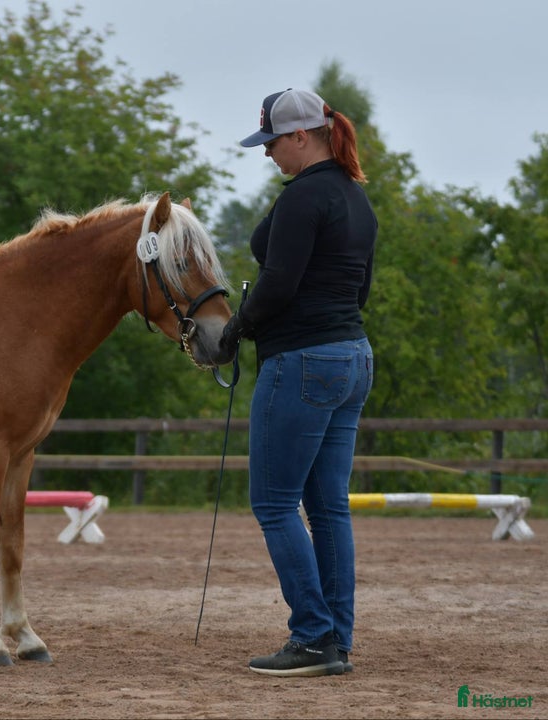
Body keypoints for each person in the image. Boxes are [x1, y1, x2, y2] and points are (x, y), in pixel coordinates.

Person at [221, 88, 376, 677]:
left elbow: (278, 284)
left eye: (272, 143)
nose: (267, 156)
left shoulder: (303, 200)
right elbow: (359, 290)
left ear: (301, 136)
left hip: (303, 362)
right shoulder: (356, 200)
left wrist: (237, 329)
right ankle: (335, 638)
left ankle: (311, 637)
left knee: (275, 503)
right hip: (354, 357)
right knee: (329, 507)